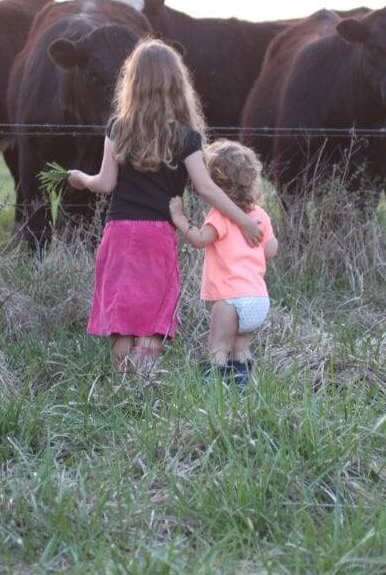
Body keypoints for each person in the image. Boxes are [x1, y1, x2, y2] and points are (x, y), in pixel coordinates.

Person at [67, 40, 263, 371]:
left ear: (133, 82)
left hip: (119, 233)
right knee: (151, 313)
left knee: (123, 313)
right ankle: (145, 383)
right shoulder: (186, 137)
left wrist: (79, 178)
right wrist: (243, 220)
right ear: (176, 84)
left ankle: (122, 386)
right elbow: (206, 188)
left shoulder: (118, 128)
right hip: (158, 235)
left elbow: (105, 184)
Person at [168, 140, 278, 386]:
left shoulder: (219, 215)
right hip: (258, 300)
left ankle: (213, 391)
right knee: (241, 348)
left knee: (218, 347)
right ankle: (242, 388)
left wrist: (178, 217)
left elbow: (199, 239)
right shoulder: (260, 215)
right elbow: (271, 250)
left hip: (230, 299)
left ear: (216, 185)